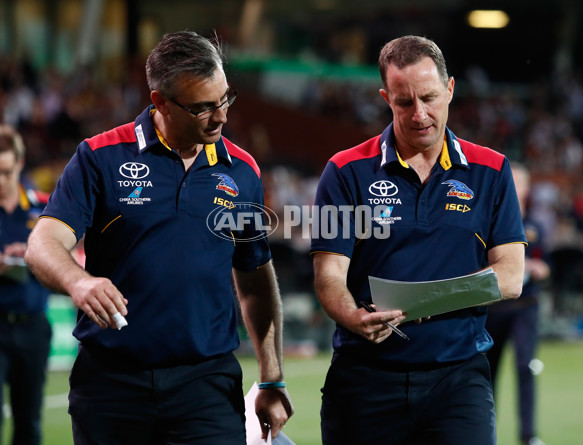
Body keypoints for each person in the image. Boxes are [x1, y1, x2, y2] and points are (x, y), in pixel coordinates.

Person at [25, 31, 293, 444]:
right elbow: (43, 244)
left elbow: (255, 280)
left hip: (206, 385)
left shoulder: (242, 172)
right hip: (111, 385)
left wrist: (272, 379)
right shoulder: (100, 156)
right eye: (202, 107)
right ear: (160, 102)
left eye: (224, 99)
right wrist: (79, 281)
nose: (220, 116)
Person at [310, 35, 526, 445]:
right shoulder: (345, 171)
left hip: (458, 380)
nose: (420, 114)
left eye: (429, 97)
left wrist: (425, 301)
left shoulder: (491, 169)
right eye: (404, 102)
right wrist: (353, 316)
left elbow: (512, 278)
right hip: (364, 380)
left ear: (450, 89)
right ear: (384, 98)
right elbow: (329, 276)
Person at [486, 162, 550, 445]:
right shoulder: (488, 222)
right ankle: (486, 433)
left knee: (525, 367)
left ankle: (529, 435)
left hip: (526, 306)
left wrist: (538, 268)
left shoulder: (534, 226)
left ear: (526, 189)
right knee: (487, 371)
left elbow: (548, 265)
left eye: (518, 183)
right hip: (494, 307)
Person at [0, 124, 52, 445]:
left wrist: (36, 253)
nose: (1, 180)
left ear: (19, 163)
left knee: (29, 422)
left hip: (33, 326)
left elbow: (68, 257)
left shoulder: (45, 206)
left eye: (6, 171)